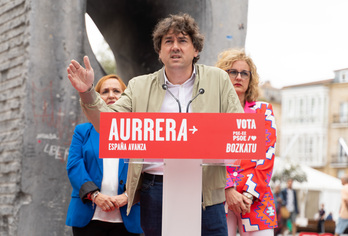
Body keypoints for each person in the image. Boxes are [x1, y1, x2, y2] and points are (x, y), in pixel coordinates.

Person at [67, 13, 244, 236]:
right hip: (155, 188)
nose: (175, 47)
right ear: (159, 52)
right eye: (168, 41)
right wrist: (87, 92)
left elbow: (237, 129)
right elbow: (110, 125)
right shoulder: (139, 86)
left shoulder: (218, 80)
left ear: (196, 49)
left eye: (182, 40)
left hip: (206, 188)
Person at [65, 74, 143, 236]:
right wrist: (94, 195)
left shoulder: (138, 132)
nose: (111, 95)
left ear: (126, 97)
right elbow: (74, 166)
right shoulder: (82, 131)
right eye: (105, 91)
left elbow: (146, 169)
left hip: (128, 217)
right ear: (98, 97)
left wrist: (128, 196)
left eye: (117, 91)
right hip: (89, 216)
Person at [216, 48, 277, 236]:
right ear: (222, 75)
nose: (239, 77)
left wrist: (248, 194)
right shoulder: (211, 112)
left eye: (244, 73)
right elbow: (209, 156)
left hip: (256, 199)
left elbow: (267, 158)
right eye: (232, 72)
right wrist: (229, 189)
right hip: (220, 196)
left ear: (251, 79)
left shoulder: (263, 111)